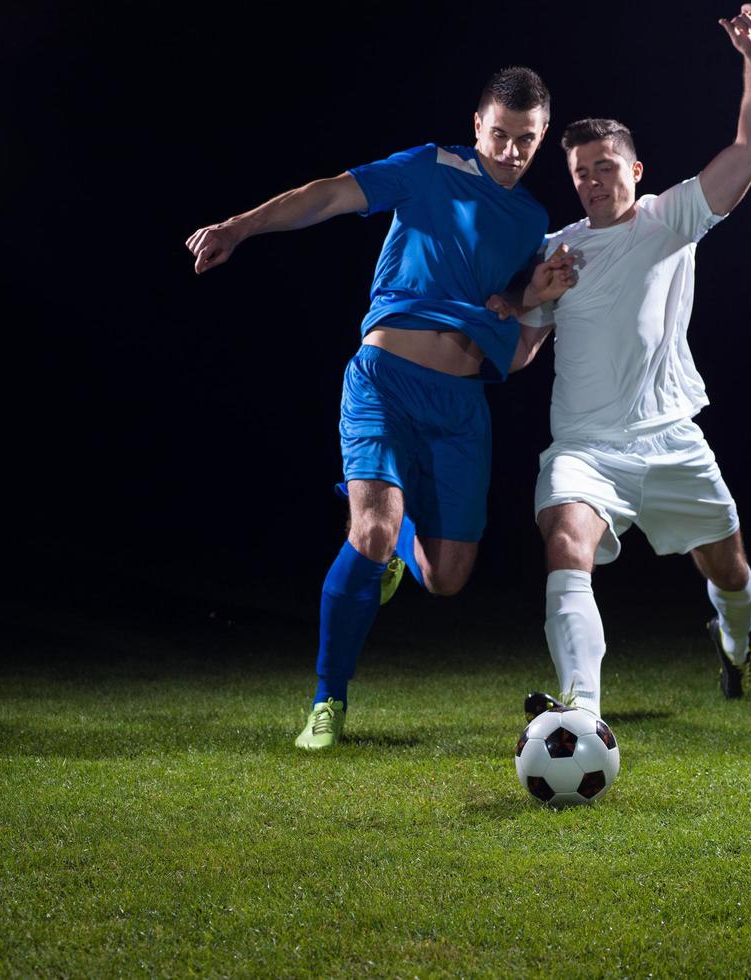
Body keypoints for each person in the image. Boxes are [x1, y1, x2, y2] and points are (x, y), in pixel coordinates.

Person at [186, 67, 574, 749]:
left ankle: (395, 544)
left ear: (540, 139)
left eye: (527, 141)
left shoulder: (533, 222)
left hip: (462, 406)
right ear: (477, 126)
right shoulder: (427, 167)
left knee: (448, 579)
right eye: (500, 136)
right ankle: (327, 701)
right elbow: (328, 195)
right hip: (385, 381)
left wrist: (528, 302)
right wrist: (239, 227)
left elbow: (514, 346)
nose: (511, 152)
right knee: (367, 530)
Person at [495, 5, 751, 719]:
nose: (592, 180)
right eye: (580, 171)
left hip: (671, 440)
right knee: (564, 538)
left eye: (605, 167)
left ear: (635, 170)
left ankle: (736, 644)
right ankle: (580, 708)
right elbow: (522, 354)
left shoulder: (669, 218)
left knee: (729, 571)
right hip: (585, 448)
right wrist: (533, 295)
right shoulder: (557, 250)